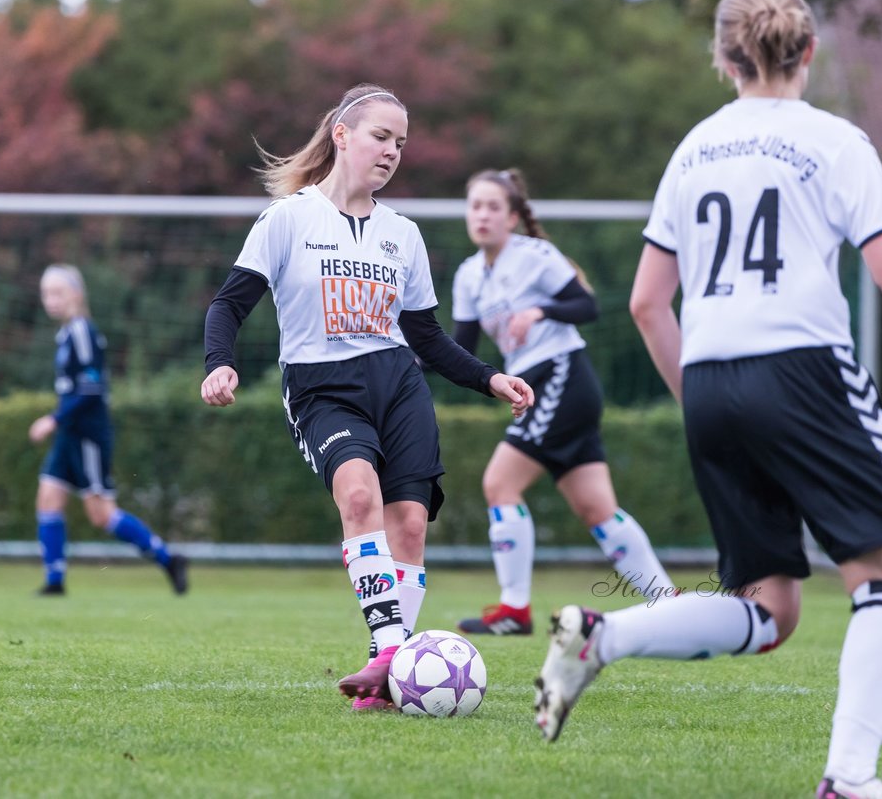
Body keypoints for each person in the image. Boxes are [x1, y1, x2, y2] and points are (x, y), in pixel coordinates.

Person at [532, 0, 882, 798]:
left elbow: (647, 303)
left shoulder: (693, 149)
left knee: (770, 609)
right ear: (808, 51)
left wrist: (700, 400)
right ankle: (849, 778)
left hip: (711, 376)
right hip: (803, 369)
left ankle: (602, 637)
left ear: (723, 56)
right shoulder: (834, 140)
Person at [201, 84, 535, 711]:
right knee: (360, 497)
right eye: (381, 136)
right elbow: (228, 304)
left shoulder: (402, 234)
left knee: (409, 523)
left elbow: (428, 339)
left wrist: (490, 377)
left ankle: (387, 673)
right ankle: (391, 655)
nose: (392, 151)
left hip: (398, 383)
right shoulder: (288, 219)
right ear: (342, 135)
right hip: (322, 388)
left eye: (401, 143)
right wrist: (219, 365)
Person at [451, 168, 674, 636]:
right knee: (597, 510)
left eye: (494, 207)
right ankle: (669, 603)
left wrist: (541, 310)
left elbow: (587, 306)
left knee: (499, 483)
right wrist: (405, 354)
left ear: (513, 217)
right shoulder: (469, 276)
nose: (483, 215)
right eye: (476, 206)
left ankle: (514, 610)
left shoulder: (535, 256)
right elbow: (459, 349)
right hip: (540, 385)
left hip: (561, 376)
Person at [29, 263, 189, 597]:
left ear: (76, 294)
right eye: (46, 293)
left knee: (101, 515)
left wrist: (53, 419)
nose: (51, 300)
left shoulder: (82, 332)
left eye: (57, 292)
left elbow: (91, 388)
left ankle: (168, 559)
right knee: (48, 498)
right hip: (69, 435)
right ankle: (55, 582)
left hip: (87, 436)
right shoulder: (67, 334)